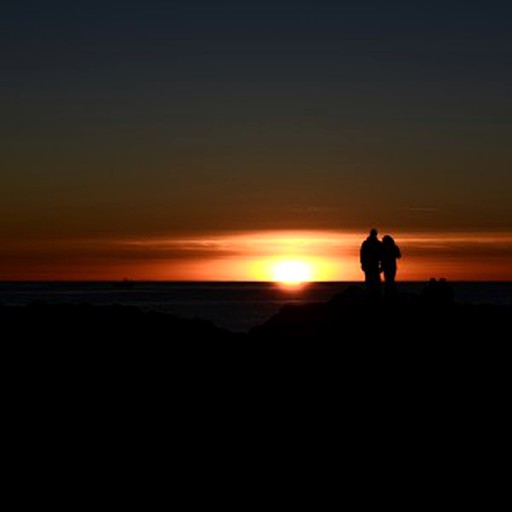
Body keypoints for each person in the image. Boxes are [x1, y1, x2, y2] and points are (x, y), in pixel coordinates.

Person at [360, 229, 383, 298]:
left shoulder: (368, 243)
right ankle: (372, 293)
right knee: (372, 279)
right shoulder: (375, 243)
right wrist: (362, 263)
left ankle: (374, 293)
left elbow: (362, 254)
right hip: (370, 264)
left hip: (373, 264)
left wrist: (362, 263)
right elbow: (362, 254)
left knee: (373, 279)